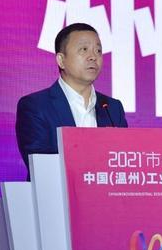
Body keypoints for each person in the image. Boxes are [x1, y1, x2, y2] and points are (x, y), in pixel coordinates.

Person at [15, 23, 128, 173]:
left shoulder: (112, 108)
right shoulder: (35, 106)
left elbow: (124, 161)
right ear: (61, 60)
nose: (93, 57)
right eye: (84, 49)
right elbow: (41, 167)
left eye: (98, 50)